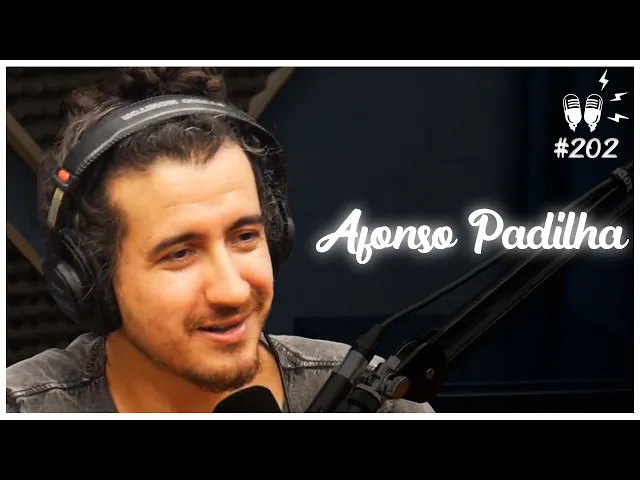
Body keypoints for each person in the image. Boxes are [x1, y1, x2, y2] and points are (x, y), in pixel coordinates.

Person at [6, 67, 434, 414]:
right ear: (92, 280)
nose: (233, 291)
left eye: (245, 236)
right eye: (180, 253)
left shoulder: (375, 400)